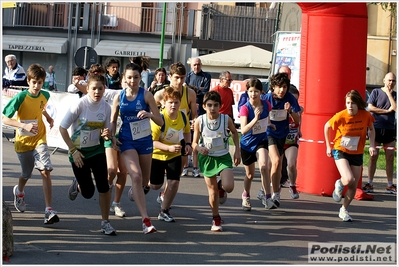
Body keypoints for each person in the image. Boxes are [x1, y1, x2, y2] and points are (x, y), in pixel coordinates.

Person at [2, 63, 59, 224]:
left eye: (40, 82)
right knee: (26, 174)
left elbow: (40, 107)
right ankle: (19, 191)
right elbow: (5, 118)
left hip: (39, 138)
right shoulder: (20, 97)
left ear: (43, 82)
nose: (36, 86)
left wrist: (47, 117)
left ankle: (48, 210)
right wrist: (23, 125)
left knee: (45, 170)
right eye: (34, 82)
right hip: (23, 141)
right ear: (28, 81)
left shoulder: (45, 96)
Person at [59, 74, 116, 235]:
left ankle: (105, 222)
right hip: (79, 153)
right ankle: (78, 184)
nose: (97, 92)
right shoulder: (79, 105)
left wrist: (107, 134)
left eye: (100, 88)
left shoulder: (106, 107)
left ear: (105, 89)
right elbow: (63, 129)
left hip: (97, 151)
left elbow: (106, 134)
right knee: (88, 192)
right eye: (94, 88)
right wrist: (73, 150)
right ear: (87, 89)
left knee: (104, 187)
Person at [110, 63, 163, 234]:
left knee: (145, 181)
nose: (133, 81)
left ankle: (137, 187)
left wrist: (149, 115)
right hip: (127, 141)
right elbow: (112, 121)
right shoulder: (120, 97)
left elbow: (160, 121)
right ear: (124, 79)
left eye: (136, 77)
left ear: (141, 78)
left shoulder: (146, 95)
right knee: (136, 175)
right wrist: (111, 135)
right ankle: (146, 221)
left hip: (145, 141)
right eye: (129, 78)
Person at [324, 90, 376, 221]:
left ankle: (344, 209)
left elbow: (371, 129)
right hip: (341, 149)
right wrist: (328, 146)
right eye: (347, 103)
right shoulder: (341, 116)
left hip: (357, 152)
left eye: (352, 103)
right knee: (348, 179)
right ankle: (339, 184)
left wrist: (372, 145)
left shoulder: (365, 115)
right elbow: (326, 126)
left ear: (358, 104)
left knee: (353, 186)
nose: (350, 106)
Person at [192, 91, 240, 231]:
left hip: (223, 156)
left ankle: (222, 187)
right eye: (209, 105)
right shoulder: (200, 121)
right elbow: (194, 143)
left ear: (220, 106)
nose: (212, 108)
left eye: (215, 105)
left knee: (229, 186)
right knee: (211, 191)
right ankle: (216, 219)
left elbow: (234, 132)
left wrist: (237, 150)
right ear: (204, 106)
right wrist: (199, 148)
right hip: (207, 158)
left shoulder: (226, 119)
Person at [154, 62, 197, 199]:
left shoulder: (189, 93)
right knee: (157, 180)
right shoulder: (161, 94)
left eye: (182, 78)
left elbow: (194, 114)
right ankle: (150, 184)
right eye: (176, 77)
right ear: (170, 77)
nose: (179, 81)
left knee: (177, 172)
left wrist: (194, 122)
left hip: (181, 134)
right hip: (162, 135)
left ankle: (165, 194)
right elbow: (152, 110)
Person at [150, 87, 192, 222]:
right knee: (156, 185)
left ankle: (164, 211)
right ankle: (144, 184)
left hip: (174, 154)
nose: (173, 105)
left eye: (176, 102)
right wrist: (168, 148)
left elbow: (186, 131)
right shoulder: (159, 119)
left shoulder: (183, 116)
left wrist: (188, 144)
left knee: (173, 182)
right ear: (163, 103)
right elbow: (152, 142)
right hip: (157, 155)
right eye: (170, 102)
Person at [263, 73, 301, 208]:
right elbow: (259, 112)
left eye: (284, 87)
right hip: (269, 134)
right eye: (279, 87)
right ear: (273, 87)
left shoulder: (290, 98)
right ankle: (274, 193)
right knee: (277, 161)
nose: (282, 90)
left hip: (282, 134)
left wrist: (290, 111)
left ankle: (272, 190)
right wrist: (266, 122)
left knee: (277, 166)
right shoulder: (267, 98)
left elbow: (298, 120)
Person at [239, 78, 275, 211]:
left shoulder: (267, 105)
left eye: (256, 91)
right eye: (250, 91)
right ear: (247, 92)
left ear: (261, 92)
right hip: (248, 144)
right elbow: (243, 130)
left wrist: (269, 124)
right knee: (250, 175)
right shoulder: (245, 108)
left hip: (261, 141)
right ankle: (246, 195)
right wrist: (255, 119)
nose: (253, 94)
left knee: (265, 167)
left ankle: (268, 197)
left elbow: (267, 119)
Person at [363, 72, 397, 194]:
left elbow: (395, 108)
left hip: (389, 130)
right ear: (384, 80)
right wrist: (385, 111)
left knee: (390, 157)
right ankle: (370, 183)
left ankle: (389, 184)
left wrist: (389, 94)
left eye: (393, 81)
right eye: (389, 80)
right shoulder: (376, 92)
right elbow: (370, 107)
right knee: (373, 156)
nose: (391, 83)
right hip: (376, 128)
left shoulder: (395, 95)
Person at [184, 58, 212, 178]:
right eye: (194, 65)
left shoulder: (206, 76)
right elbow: (185, 89)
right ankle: (186, 163)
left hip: (200, 108)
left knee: (197, 133)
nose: (196, 67)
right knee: (187, 134)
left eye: (198, 64)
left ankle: (196, 164)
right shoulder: (188, 76)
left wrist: (193, 90)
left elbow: (205, 91)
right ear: (191, 65)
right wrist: (195, 90)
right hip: (187, 108)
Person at [281, 86, 303, 199]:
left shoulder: (298, 109)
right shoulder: (280, 108)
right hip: (279, 140)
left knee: (291, 163)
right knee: (275, 167)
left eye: (296, 100)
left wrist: (300, 130)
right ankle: (268, 190)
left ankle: (293, 185)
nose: (295, 102)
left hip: (291, 141)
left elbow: (300, 119)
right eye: (292, 100)